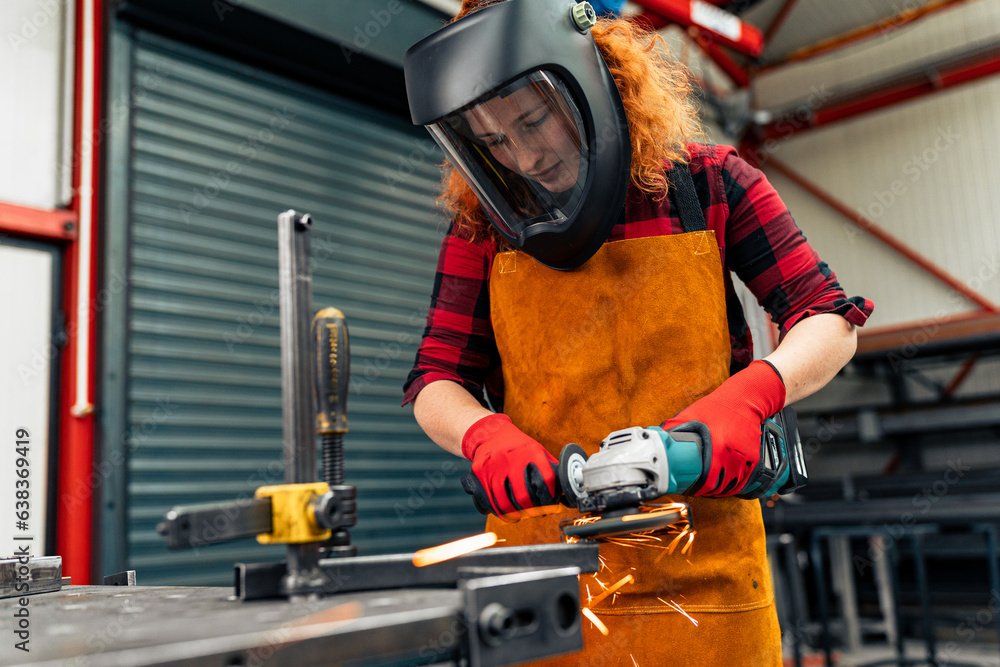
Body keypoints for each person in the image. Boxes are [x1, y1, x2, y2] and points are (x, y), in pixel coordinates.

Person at [401, 1, 874, 664]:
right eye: (496, 140)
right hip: (547, 586)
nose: (526, 154)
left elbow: (827, 318)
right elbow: (434, 380)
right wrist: (484, 436)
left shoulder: (711, 184)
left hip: (705, 577)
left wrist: (751, 397)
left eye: (535, 119)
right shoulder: (485, 227)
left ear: (595, 76)